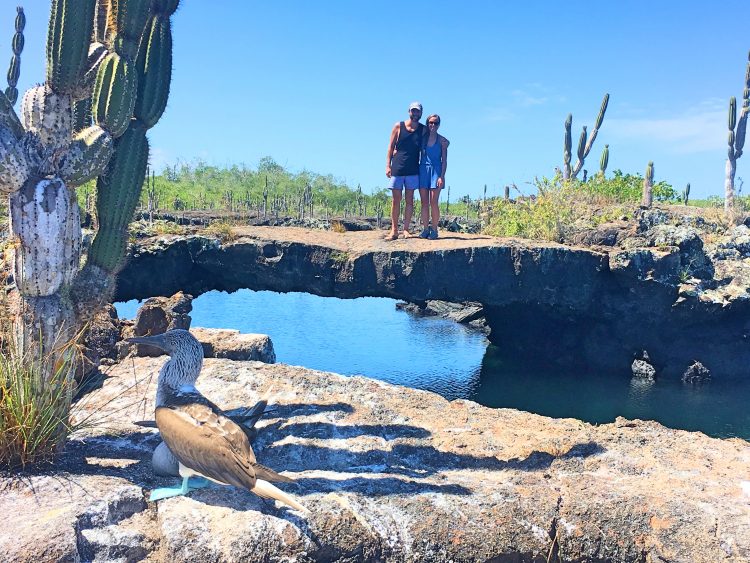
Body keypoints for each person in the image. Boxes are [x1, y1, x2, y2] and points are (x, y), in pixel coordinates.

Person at [385, 102, 425, 240]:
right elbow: (390, 147)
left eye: (417, 112)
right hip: (398, 167)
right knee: (396, 200)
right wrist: (388, 165)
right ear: (409, 112)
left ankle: (406, 229)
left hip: (413, 169)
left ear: (421, 113)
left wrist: (445, 143)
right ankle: (394, 230)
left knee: (410, 200)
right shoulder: (398, 126)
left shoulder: (422, 129)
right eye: (413, 111)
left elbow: (434, 138)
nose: (415, 114)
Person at [418, 113, 449, 239]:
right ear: (427, 124)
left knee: (433, 202)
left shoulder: (442, 141)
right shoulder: (422, 138)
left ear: (439, 125)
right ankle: (425, 229)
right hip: (423, 170)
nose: (432, 125)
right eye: (430, 122)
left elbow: (445, 160)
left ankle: (435, 230)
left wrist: (442, 176)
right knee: (424, 203)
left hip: (436, 172)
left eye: (435, 123)